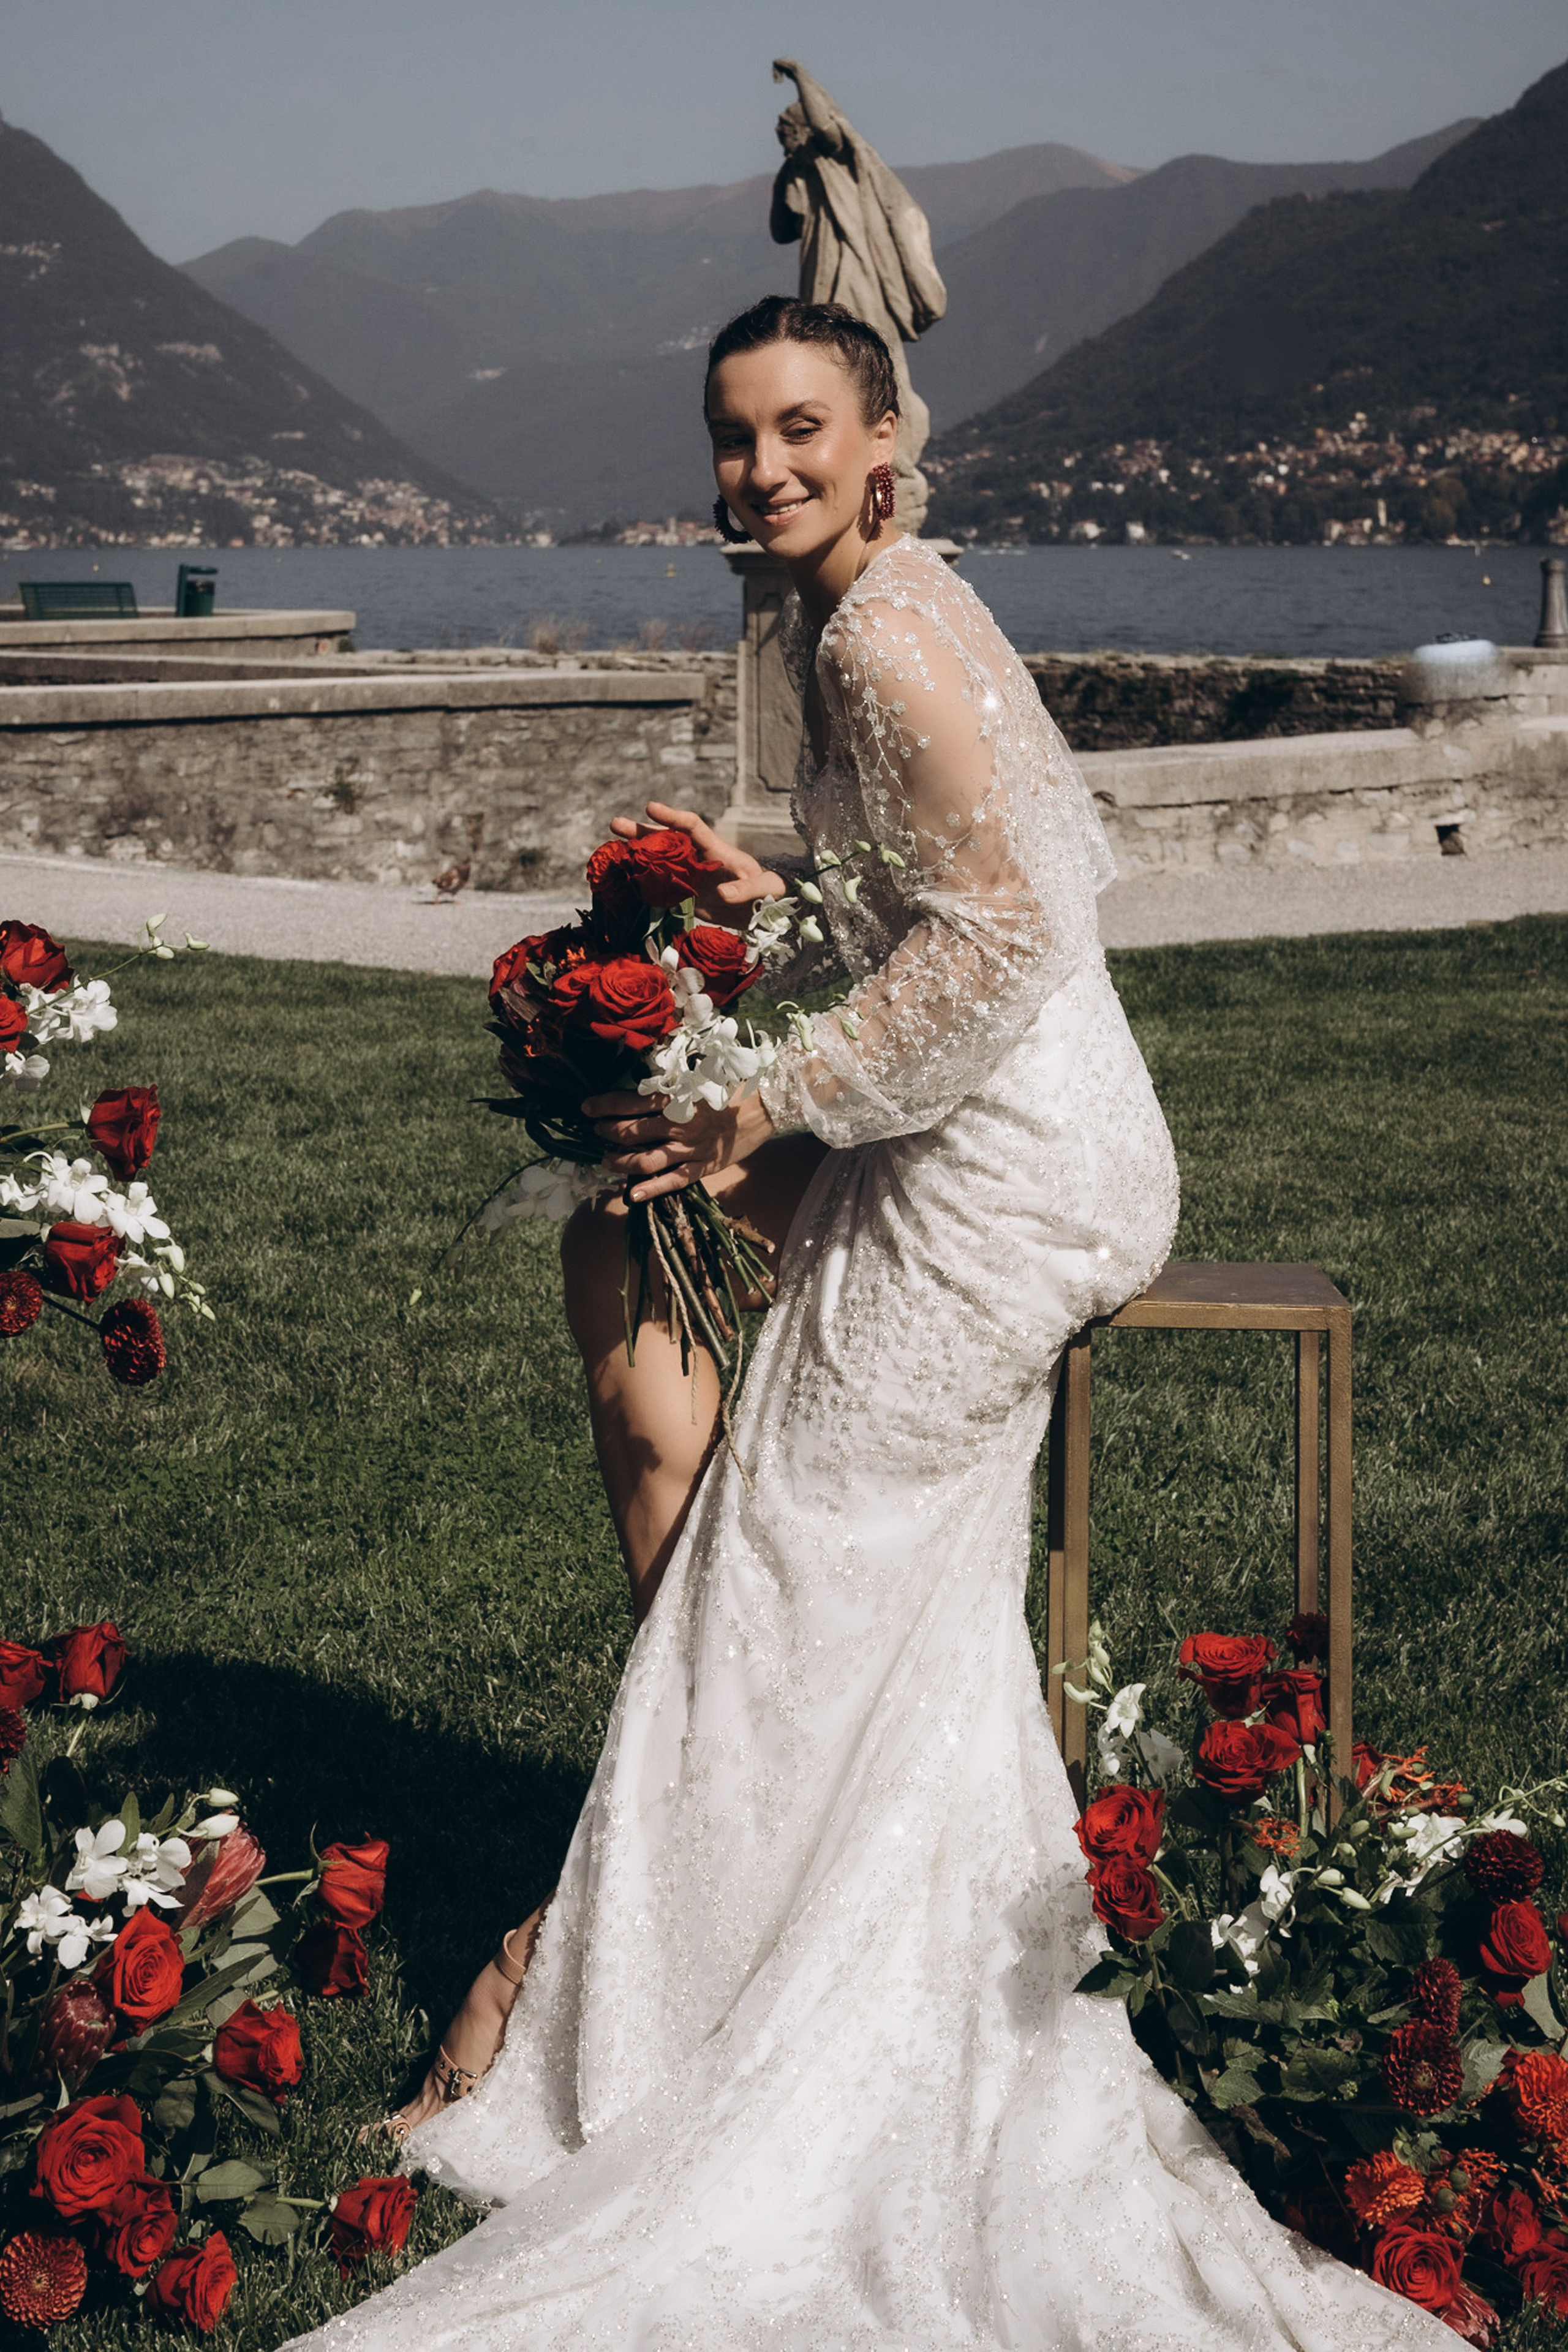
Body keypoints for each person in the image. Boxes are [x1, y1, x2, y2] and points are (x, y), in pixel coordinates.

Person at [290, 298, 1450, 2350]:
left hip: (1012, 1168)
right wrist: (759, 907)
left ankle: (606, 2019)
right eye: (735, 437)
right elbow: (951, 884)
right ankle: (689, 1961)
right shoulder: (889, 605)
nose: (763, 471)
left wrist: (761, 1093)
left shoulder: (876, 629)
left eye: (801, 429)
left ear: (888, 428)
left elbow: (1003, 930)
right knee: (827, 1557)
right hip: (1012, 1128)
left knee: (782, 1558)